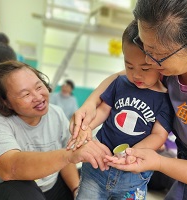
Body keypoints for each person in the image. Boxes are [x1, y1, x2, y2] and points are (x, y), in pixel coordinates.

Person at [70, 0, 187, 199]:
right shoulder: (169, 67)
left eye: (156, 54)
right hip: (184, 186)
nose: (148, 62)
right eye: (145, 49)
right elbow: (121, 77)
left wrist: (160, 163)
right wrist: (90, 102)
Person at [68, 20, 174, 200]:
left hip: (133, 174)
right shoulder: (120, 83)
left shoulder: (165, 99)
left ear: (159, 65)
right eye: (129, 66)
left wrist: (133, 153)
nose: (136, 74)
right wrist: (87, 128)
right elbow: (103, 111)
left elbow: (158, 135)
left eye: (145, 68)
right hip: (97, 166)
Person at [0, 60, 111, 200]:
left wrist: (76, 190)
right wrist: (69, 155)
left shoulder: (56, 113)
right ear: (5, 102)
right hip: (3, 191)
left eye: (39, 87)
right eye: (26, 94)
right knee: (22, 189)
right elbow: (10, 168)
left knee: (93, 184)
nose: (38, 97)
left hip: (48, 187)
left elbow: (65, 159)